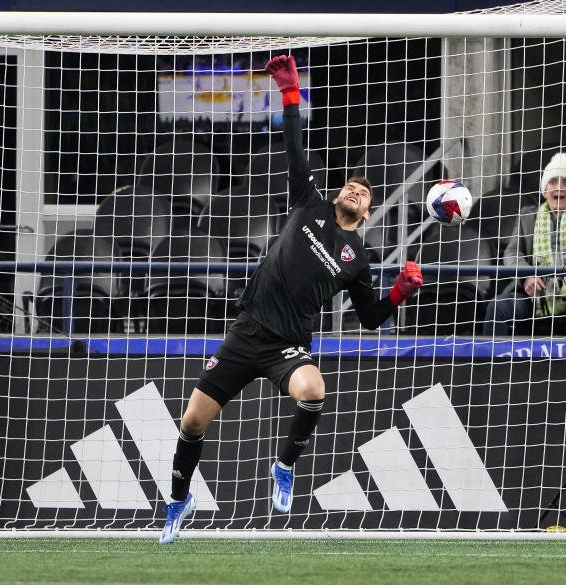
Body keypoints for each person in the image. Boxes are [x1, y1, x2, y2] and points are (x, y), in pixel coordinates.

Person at [158, 55, 424, 544]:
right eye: (351, 184)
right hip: (248, 330)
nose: (355, 190)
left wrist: (398, 294)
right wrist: (289, 93)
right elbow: (294, 146)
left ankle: (284, 465)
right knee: (192, 422)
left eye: (364, 193)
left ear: (366, 215)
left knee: (314, 391)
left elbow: (369, 318)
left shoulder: (358, 259)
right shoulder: (310, 201)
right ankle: (179, 501)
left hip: (288, 345)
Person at [483, 152, 566, 336]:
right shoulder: (528, 216)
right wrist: (527, 275)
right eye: (553, 182)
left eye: (565, 182)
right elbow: (512, 253)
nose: (559, 188)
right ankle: (490, 365)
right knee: (499, 307)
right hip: (533, 298)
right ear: (545, 190)